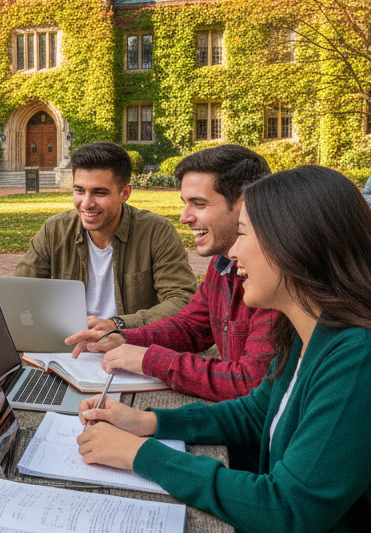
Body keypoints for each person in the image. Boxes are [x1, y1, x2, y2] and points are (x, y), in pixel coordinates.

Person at [77, 165, 371, 533]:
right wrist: (153, 424)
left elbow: (286, 511)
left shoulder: (364, 360)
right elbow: (258, 413)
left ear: (295, 244)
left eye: (244, 234)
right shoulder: (309, 328)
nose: (232, 253)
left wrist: (142, 456)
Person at [68, 144, 276, 404]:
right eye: (185, 203)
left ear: (245, 204)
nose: (184, 217)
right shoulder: (222, 263)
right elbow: (190, 327)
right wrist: (122, 337)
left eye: (198, 204)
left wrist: (148, 359)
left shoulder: (274, 273)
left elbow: (250, 383)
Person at [15, 141, 196, 340]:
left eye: (99, 193)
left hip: (131, 345)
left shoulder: (156, 231)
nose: (86, 203)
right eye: (79, 191)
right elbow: (18, 290)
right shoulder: (54, 230)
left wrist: (118, 325)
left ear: (125, 193)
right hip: (69, 346)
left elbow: (182, 299)